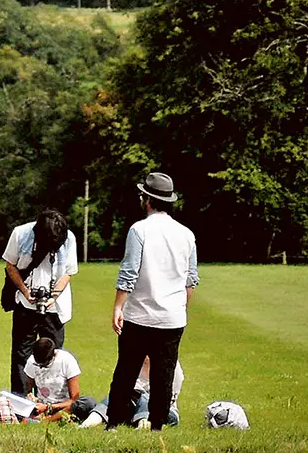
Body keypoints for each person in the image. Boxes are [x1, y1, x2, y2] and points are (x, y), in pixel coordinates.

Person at [105, 172, 198, 431]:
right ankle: (157, 425)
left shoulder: (139, 230)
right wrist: (180, 308)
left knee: (126, 371)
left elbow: (129, 272)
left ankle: (113, 423)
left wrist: (117, 306)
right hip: (172, 318)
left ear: (146, 199)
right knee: (163, 375)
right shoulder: (187, 234)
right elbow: (191, 280)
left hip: (140, 314)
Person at [2, 208, 78, 393]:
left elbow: (69, 271)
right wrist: (25, 290)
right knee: (21, 355)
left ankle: (52, 400)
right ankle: (21, 401)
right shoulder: (21, 234)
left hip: (55, 308)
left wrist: (53, 296)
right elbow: (10, 265)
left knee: (54, 356)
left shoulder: (69, 238)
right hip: (25, 304)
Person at [75, 357, 184, 428]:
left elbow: (166, 400)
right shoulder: (134, 361)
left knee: (145, 397)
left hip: (165, 413)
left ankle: (143, 427)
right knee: (115, 398)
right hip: (133, 409)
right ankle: (87, 424)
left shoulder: (171, 365)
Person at [22, 337, 81, 421]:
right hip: (40, 407)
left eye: (45, 365)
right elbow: (29, 387)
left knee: (87, 402)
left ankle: (46, 420)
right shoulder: (32, 362)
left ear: (53, 355)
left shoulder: (67, 360)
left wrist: (48, 407)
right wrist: (30, 395)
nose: (41, 367)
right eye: (38, 364)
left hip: (63, 408)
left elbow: (74, 400)